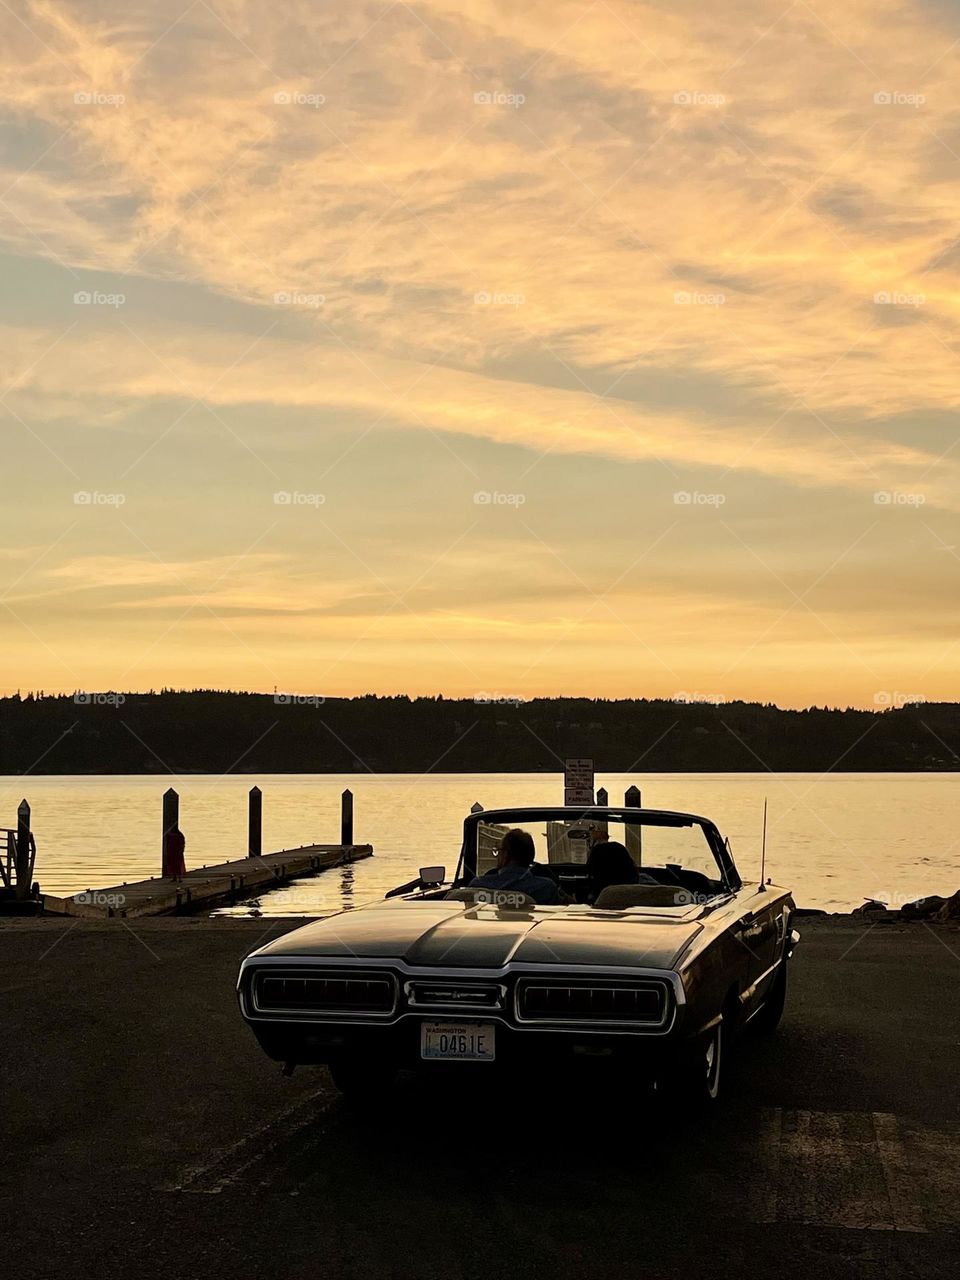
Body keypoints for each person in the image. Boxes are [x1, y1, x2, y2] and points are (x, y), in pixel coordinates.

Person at [469, 828, 561, 904]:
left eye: (499, 851)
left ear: (505, 854)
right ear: (531, 855)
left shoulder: (478, 886)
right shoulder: (546, 888)